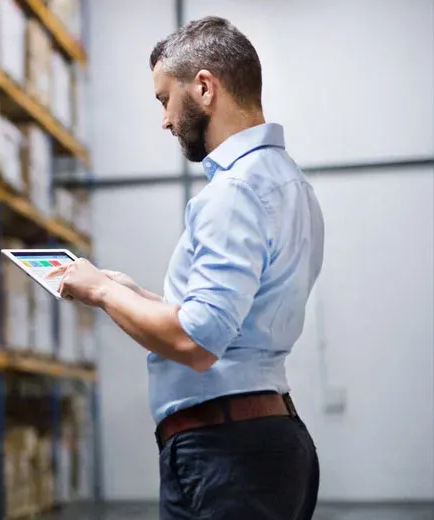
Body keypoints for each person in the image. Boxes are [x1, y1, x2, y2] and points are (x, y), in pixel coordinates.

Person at [47, 17, 324, 519]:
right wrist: (136, 295)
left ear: (203, 87)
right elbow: (232, 323)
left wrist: (102, 295)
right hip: (257, 445)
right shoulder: (289, 184)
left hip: (226, 454)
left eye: (164, 99)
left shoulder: (233, 192)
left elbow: (197, 343)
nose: (165, 120)